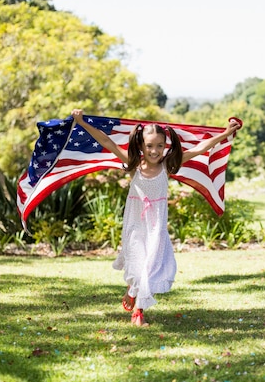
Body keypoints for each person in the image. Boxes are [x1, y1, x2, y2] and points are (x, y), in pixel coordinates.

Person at [71, 109, 241, 326]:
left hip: (155, 226)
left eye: (159, 146)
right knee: (136, 261)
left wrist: (225, 133)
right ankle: (133, 293)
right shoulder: (134, 163)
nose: (154, 150)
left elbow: (200, 148)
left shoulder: (167, 165)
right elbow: (106, 141)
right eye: (149, 145)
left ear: (165, 146)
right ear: (141, 145)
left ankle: (138, 311)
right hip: (135, 223)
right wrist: (81, 122)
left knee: (150, 264)